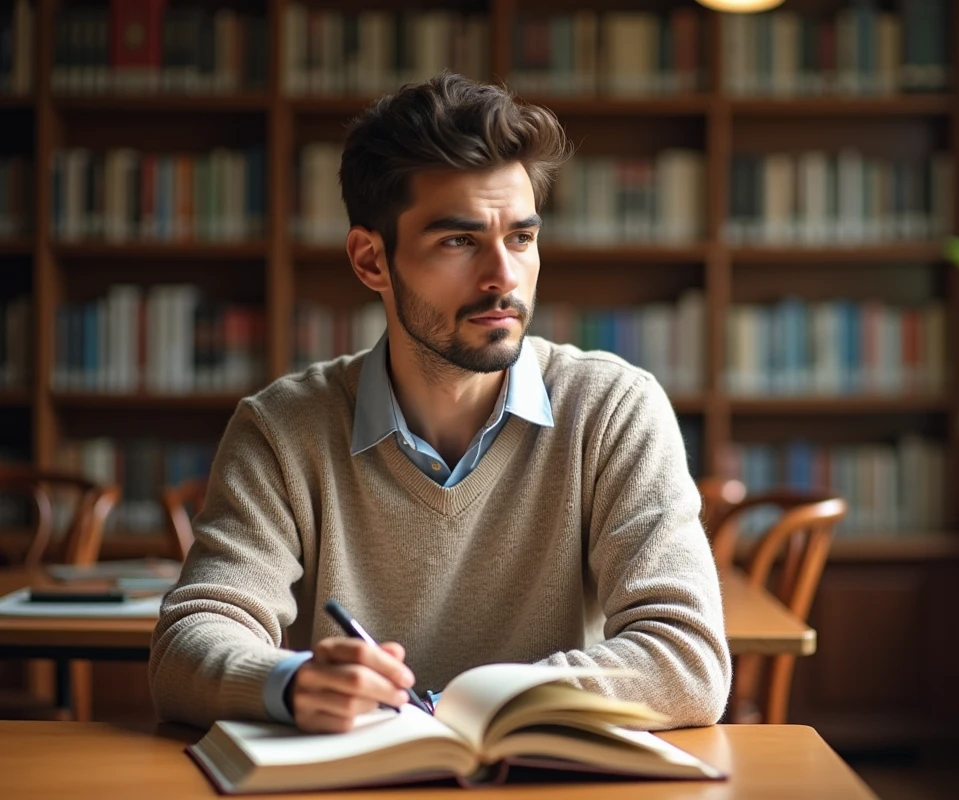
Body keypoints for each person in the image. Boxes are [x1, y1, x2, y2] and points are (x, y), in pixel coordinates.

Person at [149, 73, 731, 734]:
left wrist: (478, 702)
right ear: (371, 260)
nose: (503, 277)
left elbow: (686, 662)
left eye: (520, 238)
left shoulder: (613, 411)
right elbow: (186, 646)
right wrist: (289, 680)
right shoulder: (282, 429)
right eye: (458, 242)